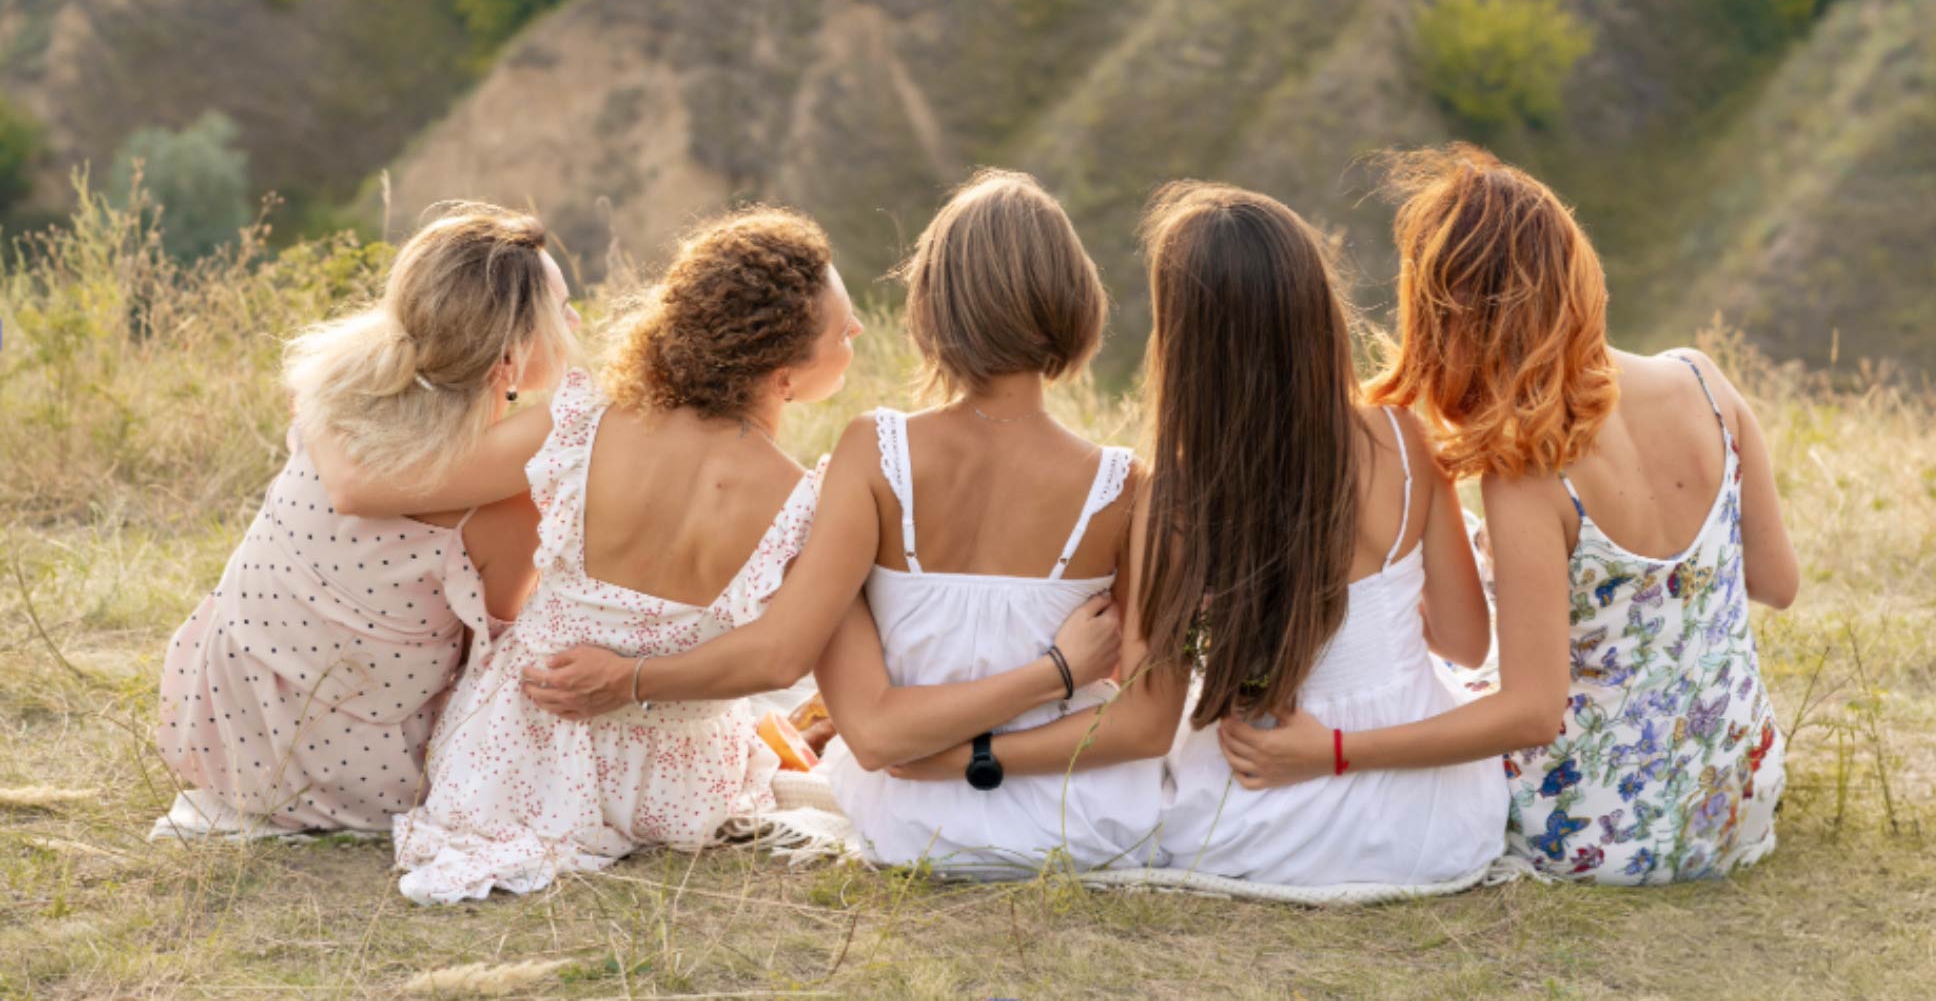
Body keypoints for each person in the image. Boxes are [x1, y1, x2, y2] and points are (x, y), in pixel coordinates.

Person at [888, 183, 1504, 890]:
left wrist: (972, 751)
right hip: (1431, 821)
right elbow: (1467, 643)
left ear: (1183, 342)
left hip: (1259, 827)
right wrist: (1381, 603)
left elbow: (1139, 700)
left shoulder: (1173, 497)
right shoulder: (1405, 439)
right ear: (1318, 308)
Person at [1219, 147, 1799, 885]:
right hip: (1738, 798)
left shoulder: (1528, 471)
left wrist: (1330, 750)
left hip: (1600, 834)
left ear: (1449, 315)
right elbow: (1778, 583)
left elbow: (1531, 714)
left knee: (1430, 688)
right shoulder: (1702, 380)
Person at [388, 207, 863, 903]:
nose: (856, 332)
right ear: (785, 378)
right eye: (844, 329)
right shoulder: (802, 503)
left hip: (512, 758)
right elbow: (777, 660)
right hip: (676, 785)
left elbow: (423, 481)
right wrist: (635, 680)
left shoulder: (584, 420)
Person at [156, 203, 577, 833]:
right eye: (562, 310)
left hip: (225, 720)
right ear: (509, 357)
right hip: (351, 770)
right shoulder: (504, 503)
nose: (576, 323)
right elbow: (491, 662)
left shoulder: (347, 386)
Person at [812, 170, 1157, 878]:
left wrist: (955, 756)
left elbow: (875, 737)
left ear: (933, 304)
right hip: (1081, 820)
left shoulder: (873, 452)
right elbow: (1147, 721)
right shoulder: (1126, 484)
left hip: (905, 820)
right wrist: (1056, 673)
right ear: (1075, 299)